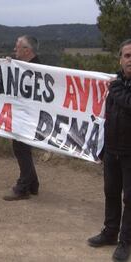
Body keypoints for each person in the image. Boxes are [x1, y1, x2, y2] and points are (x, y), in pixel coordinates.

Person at [87, 39, 131, 262]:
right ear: (120, 59)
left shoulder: (115, 87)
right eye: (127, 56)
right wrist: (102, 149)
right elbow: (106, 118)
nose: (130, 60)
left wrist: (115, 88)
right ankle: (110, 232)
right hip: (112, 150)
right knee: (111, 193)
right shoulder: (115, 84)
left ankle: (126, 242)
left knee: (130, 199)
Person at [3, 35, 40, 201]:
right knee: (23, 149)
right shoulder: (25, 66)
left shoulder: (37, 69)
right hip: (24, 115)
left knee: (21, 149)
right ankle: (33, 184)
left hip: (29, 117)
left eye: (17, 47)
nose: (14, 49)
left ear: (27, 50)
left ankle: (23, 187)